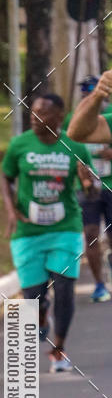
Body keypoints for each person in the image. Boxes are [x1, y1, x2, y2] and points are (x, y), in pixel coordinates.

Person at [1, 94, 96, 372]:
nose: (34, 117)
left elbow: (91, 191)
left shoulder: (75, 146)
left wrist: (87, 183)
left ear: (59, 117)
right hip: (27, 231)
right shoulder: (20, 145)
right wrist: (10, 210)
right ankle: (41, 316)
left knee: (65, 287)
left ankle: (60, 348)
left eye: (42, 113)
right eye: (33, 112)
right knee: (34, 297)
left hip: (64, 228)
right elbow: (5, 177)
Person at [62, 76, 112, 302]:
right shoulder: (77, 118)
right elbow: (72, 136)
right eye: (84, 91)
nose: (86, 93)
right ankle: (100, 285)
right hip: (88, 185)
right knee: (91, 234)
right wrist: (79, 171)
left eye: (90, 89)